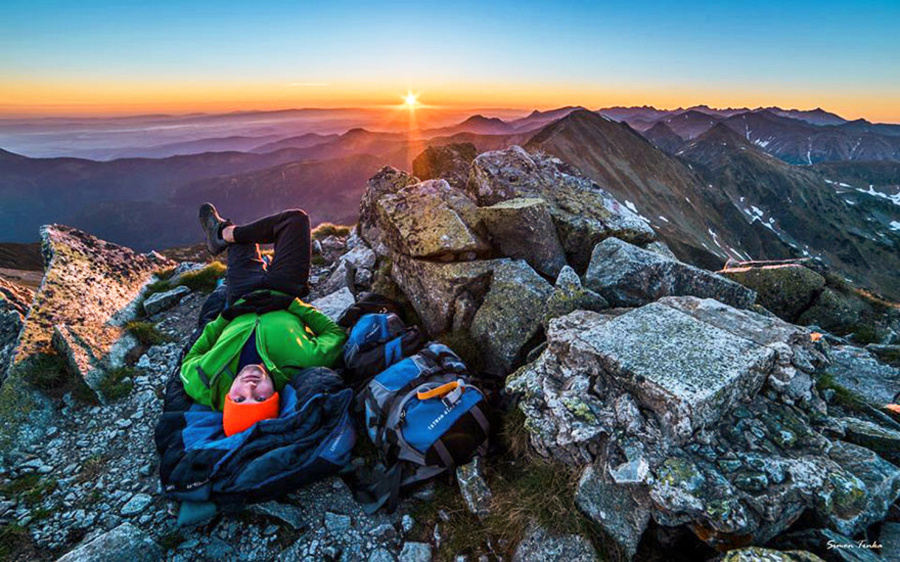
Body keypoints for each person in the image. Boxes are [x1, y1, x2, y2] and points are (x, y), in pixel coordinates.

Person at [179, 204, 346, 436]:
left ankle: (223, 234)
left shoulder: (205, 384)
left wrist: (224, 318)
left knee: (242, 242)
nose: (250, 386)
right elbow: (335, 334)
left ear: (227, 399)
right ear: (275, 396)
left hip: (241, 296)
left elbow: (190, 358)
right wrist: (293, 305)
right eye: (260, 398)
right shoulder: (302, 364)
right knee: (295, 220)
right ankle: (225, 234)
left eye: (239, 399)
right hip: (283, 291)